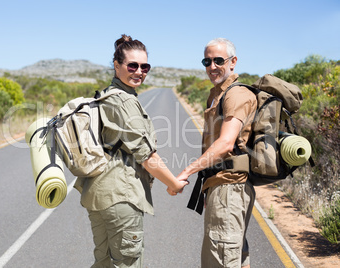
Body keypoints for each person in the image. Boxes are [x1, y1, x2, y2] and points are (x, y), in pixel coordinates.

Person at [73, 34, 188, 268]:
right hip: (121, 196)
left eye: (145, 66)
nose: (139, 71)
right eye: (132, 65)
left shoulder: (106, 96)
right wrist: (173, 183)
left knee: (104, 262)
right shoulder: (124, 102)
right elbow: (146, 156)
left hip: (98, 195)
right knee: (127, 263)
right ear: (117, 65)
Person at [175, 38, 257, 268]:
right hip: (221, 187)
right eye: (207, 61)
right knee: (234, 255)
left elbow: (225, 144)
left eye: (218, 60)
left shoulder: (235, 95)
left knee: (221, 259)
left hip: (229, 189)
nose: (212, 67)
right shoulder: (218, 94)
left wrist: (187, 171)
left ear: (233, 62)